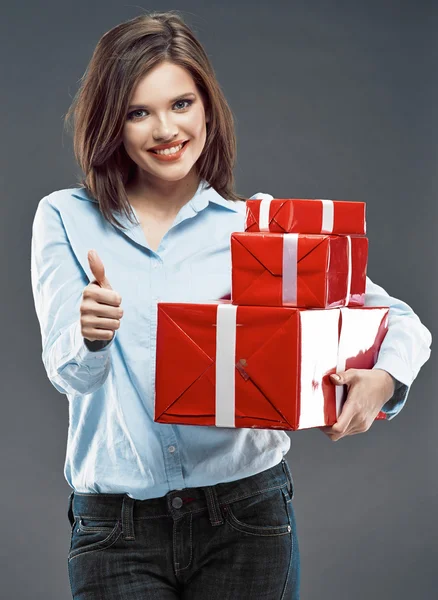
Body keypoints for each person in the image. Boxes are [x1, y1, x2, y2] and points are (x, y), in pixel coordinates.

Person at [30, 11, 431, 600]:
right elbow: (71, 375)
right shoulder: (65, 217)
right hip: (114, 528)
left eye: (181, 104)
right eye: (138, 112)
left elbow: (401, 319)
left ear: (208, 109)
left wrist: (385, 382)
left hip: (247, 518)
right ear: (111, 122)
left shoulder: (258, 228)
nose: (165, 129)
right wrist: (90, 335)